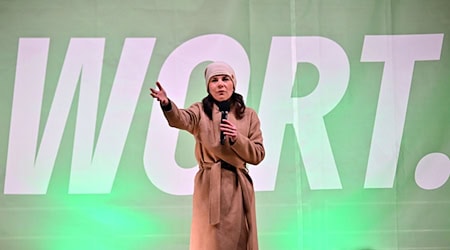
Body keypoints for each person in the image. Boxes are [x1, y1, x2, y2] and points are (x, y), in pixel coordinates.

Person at [150, 61, 265, 250]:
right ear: (208, 86)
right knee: (209, 241)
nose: (220, 84)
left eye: (225, 79)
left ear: (233, 84)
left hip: (237, 187)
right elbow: (181, 118)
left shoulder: (249, 115)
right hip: (209, 186)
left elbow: (258, 154)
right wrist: (167, 104)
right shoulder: (200, 111)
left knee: (238, 240)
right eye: (214, 80)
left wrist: (237, 138)